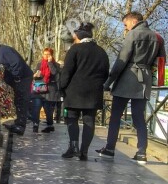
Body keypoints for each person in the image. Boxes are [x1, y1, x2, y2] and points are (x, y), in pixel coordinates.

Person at [96, 12, 166, 163]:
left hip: (128, 78)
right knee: (139, 117)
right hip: (144, 80)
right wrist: (156, 82)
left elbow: (121, 60)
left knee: (115, 116)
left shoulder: (133, 34)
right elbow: (161, 63)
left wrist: (109, 82)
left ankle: (109, 149)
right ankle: (141, 152)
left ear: (134, 21)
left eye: (125, 24)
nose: (125, 28)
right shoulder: (157, 37)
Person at [59, 23, 109, 160]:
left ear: (79, 36)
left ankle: (73, 147)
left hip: (74, 91)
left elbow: (67, 72)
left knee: (72, 119)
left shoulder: (75, 49)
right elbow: (106, 73)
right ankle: (84, 152)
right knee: (89, 121)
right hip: (93, 93)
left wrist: (62, 87)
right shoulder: (101, 52)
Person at [0, 44, 34, 135]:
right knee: (18, 100)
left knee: (21, 100)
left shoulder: (3, 51)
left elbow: (16, 62)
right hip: (22, 77)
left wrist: (17, 77)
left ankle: (20, 126)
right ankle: (18, 123)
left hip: (22, 78)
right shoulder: (3, 51)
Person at [30, 47, 61, 133]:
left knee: (48, 110)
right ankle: (35, 124)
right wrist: (36, 75)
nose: (46, 56)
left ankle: (50, 125)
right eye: (45, 54)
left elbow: (54, 73)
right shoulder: (39, 64)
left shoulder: (56, 65)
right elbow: (35, 75)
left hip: (50, 91)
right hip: (39, 89)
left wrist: (50, 63)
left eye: (48, 54)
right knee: (36, 107)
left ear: (51, 55)